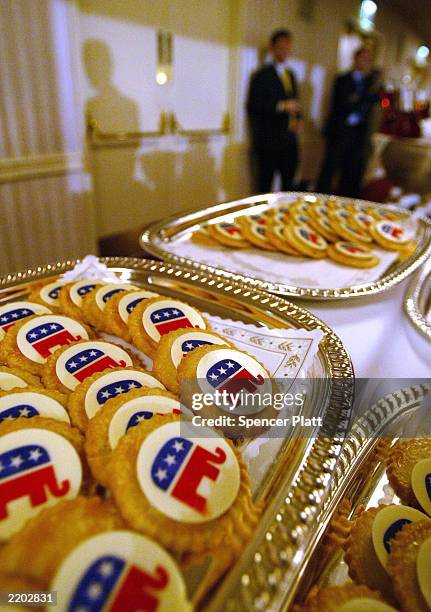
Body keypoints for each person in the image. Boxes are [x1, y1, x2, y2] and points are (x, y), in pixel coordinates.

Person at [316, 47, 382, 198]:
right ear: (355, 59)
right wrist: (362, 99)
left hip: (358, 134)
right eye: (362, 58)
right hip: (340, 132)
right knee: (329, 169)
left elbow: (373, 103)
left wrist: (361, 98)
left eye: (368, 60)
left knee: (352, 172)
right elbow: (344, 103)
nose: (365, 62)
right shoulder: (342, 79)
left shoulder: (370, 83)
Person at [247, 29, 302, 193]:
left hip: (290, 140)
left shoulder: (290, 75)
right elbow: (253, 106)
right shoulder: (261, 75)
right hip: (269, 141)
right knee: (265, 186)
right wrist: (281, 106)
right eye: (281, 46)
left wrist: (298, 119)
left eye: (287, 46)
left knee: (289, 187)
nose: (285, 50)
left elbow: (295, 101)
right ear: (272, 48)